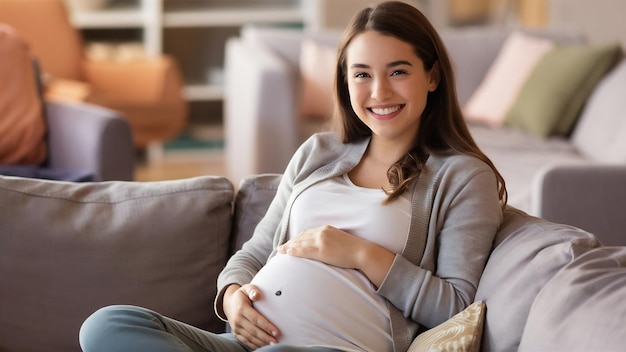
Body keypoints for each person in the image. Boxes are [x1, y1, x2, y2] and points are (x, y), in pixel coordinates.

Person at [79, 1, 507, 351]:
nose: (379, 92)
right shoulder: (319, 153)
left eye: (398, 71)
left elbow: (456, 307)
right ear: (344, 82)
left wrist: (360, 254)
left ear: (431, 76)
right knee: (107, 325)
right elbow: (255, 253)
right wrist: (232, 300)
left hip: (336, 347)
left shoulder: (462, 177)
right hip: (243, 345)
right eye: (362, 74)